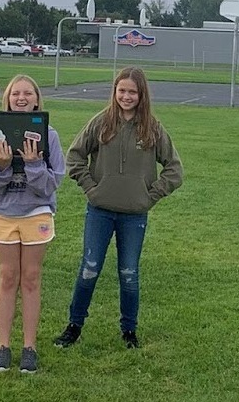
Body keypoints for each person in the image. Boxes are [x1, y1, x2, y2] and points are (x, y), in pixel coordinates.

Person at [53, 66, 183, 350]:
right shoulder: (101, 123)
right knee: (89, 268)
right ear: (115, 92)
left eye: (132, 92)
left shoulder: (152, 128)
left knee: (129, 273)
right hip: (100, 211)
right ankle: (74, 326)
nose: (126, 96)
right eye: (121, 90)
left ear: (141, 95)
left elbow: (174, 170)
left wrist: (149, 196)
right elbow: (75, 157)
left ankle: (129, 330)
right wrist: (91, 188)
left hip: (134, 215)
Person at [0, 74, 65, 373]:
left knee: (30, 279)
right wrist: (2, 167)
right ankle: (3, 346)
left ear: (37, 99)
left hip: (37, 214)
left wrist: (34, 164)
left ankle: (29, 347)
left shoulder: (49, 135)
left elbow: (52, 184)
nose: (22, 97)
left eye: (28, 93)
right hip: (4, 214)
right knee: (7, 278)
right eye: (16, 93)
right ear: (8, 98)